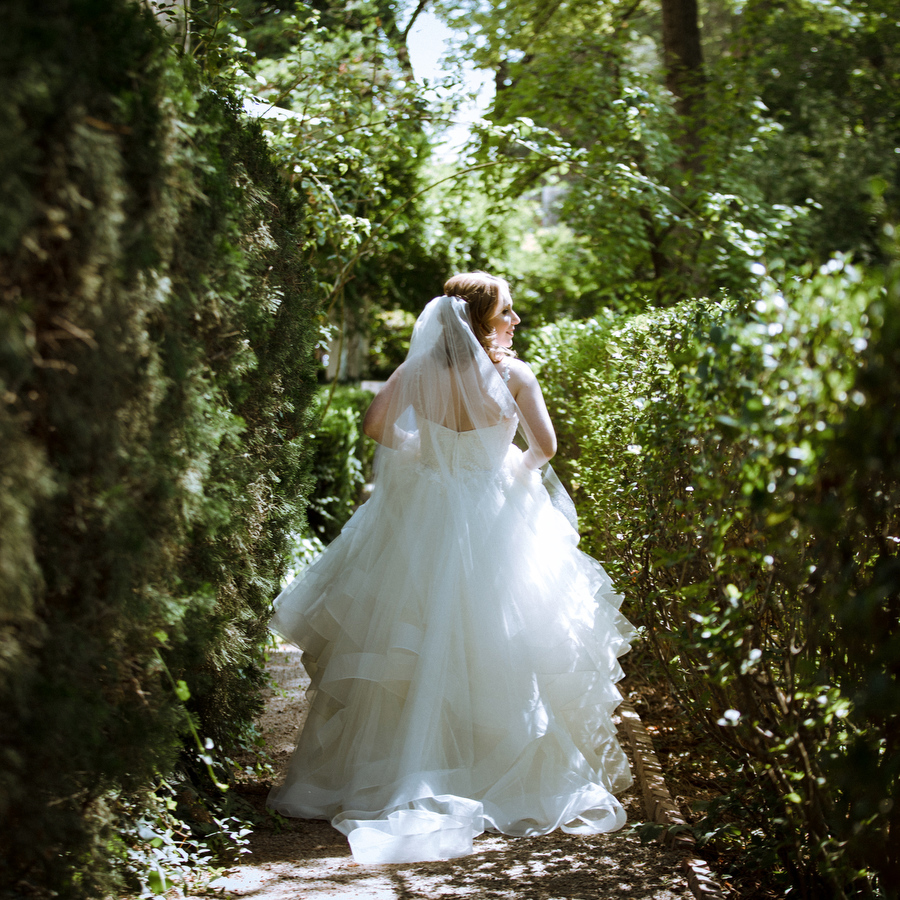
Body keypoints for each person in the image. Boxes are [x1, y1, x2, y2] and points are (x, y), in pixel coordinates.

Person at [267, 272, 636, 865]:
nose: (515, 322)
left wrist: (423, 456)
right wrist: (509, 474)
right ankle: (493, 764)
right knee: (499, 638)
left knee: (410, 638)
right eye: (508, 312)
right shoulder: (513, 377)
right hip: (493, 514)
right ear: (481, 320)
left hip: (427, 515)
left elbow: (376, 424)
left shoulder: (417, 373)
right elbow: (546, 447)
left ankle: (402, 767)